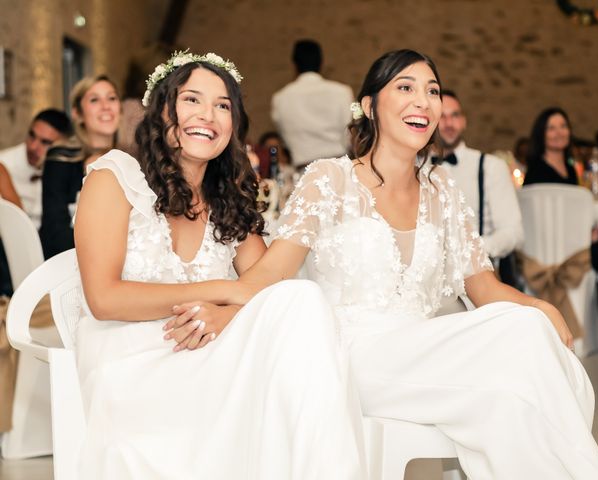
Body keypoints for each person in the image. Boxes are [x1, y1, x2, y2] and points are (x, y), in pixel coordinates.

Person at [167, 50, 598, 479]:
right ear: (369, 106)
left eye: (433, 91)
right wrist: (223, 313)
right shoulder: (329, 179)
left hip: (424, 351)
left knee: (518, 380)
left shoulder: (443, 190)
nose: (423, 101)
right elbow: (270, 274)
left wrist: (540, 307)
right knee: (520, 361)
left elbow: (485, 289)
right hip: (351, 356)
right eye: (406, 87)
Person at [73, 51, 364, 479]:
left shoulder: (227, 199)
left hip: (211, 357)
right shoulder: (114, 177)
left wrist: (225, 317)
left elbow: (267, 292)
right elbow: (103, 298)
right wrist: (222, 291)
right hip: (132, 365)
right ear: (162, 111)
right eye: (192, 100)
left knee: (301, 300)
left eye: (223, 105)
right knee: (298, 314)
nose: (208, 114)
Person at [524, 107, 598, 353]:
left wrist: (587, 232)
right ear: (541, 134)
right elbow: (542, 222)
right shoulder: (536, 171)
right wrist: (583, 235)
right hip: (562, 252)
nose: (559, 132)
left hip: (577, 242)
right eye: (551, 127)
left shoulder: (569, 167)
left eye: (563, 126)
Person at [435, 89, 524, 286]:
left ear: (464, 121)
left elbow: (513, 232)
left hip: (479, 276)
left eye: (455, 115)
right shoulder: (418, 167)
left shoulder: (491, 166)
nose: (449, 123)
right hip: (429, 279)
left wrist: (472, 250)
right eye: (442, 116)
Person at [40, 75, 121, 259]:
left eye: (112, 98)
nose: (106, 106)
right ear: (77, 113)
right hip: (68, 263)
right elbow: (55, 231)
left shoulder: (134, 162)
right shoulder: (60, 159)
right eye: (95, 100)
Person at [271, 39, 354, 169]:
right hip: (339, 169)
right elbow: (349, 134)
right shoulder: (342, 92)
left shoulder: (281, 98)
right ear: (321, 63)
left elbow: (285, 139)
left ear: (294, 65)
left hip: (303, 173)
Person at [0, 109, 72, 228]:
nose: (33, 147)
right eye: (32, 136)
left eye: (45, 142)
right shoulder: (4, 164)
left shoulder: (68, 171)